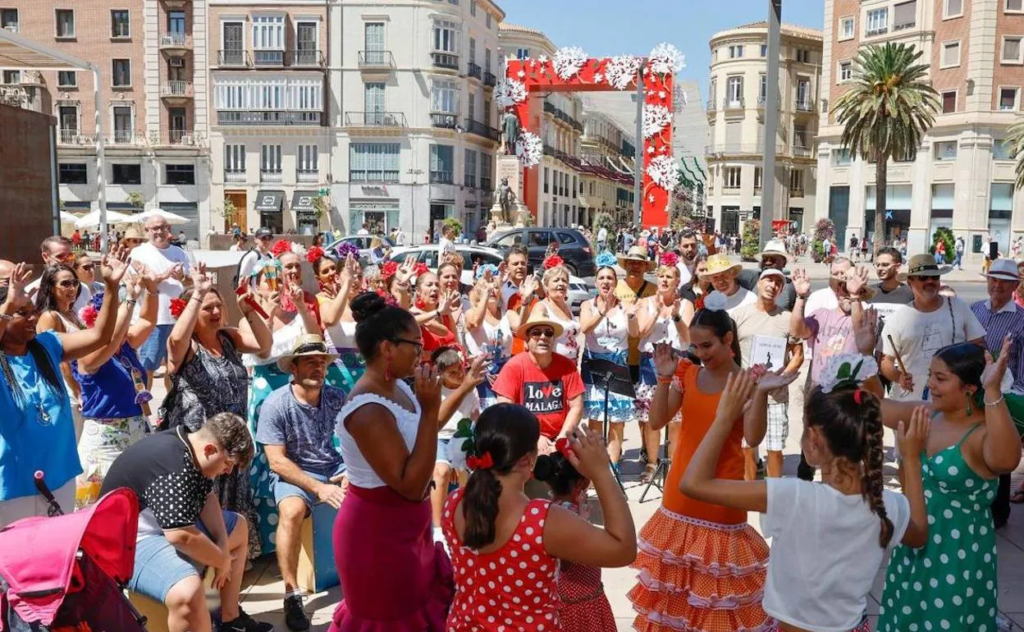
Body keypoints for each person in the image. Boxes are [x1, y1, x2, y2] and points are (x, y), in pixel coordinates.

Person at [682, 356, 928, 632]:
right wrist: (912, 460)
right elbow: (918, 536)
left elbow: (693, 483)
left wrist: (724, 419)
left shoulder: (793, 496)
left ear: (813, 439)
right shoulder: (886, 504)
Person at [629, 301, 783, 631]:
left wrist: (762, 395)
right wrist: (665, 379)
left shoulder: (746, 381)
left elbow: (754, 438)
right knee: (675, 603)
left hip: (722, 501)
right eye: (695, 346)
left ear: (729, 340)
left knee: (717, 609)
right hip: (678, 498)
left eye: (707, 345)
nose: (700, 353)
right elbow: (657, 421)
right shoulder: (688, 372)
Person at [442, 406, 635, 631]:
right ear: (528, 459)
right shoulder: (542, 520)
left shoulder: (454, 502)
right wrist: (601, 473)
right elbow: (624, 549)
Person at [878, 339, 1021, 632]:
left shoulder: (982, 433)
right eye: (931, 375)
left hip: (956, 553)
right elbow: (873, 408)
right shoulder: (929, 414)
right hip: (914, 545)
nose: (931, 384)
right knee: (907, 618)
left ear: (970, 387)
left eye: (941, 378)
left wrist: (992, 389)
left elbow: (1007, 460)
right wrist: (865, 355)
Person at [330, 292, 452, 630]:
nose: (422, 350)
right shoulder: (368, 409)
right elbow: (411, 487)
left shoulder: (398, 387)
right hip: (377, 539)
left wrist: (453, 393)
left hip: (408, 530)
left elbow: (424, 438)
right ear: (387, 348)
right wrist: (428, 410)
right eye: (415, 344)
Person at [100, 412, 272, 632]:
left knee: (238, 527)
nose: (228, 471)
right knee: (188, 594)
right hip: (129, 541)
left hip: (161, 527)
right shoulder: (173, 463)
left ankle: (230, 619)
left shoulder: (190, 445)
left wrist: (222, 544)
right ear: (210, 449)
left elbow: (207, 496)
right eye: (228, 463)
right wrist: (222, 560)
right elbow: (180, 535)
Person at [0, 256, 125, 527]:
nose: (33, 317)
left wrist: (113, 288)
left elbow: (100, 337)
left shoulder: (47, 345)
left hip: (59, 479)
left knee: (51, 561)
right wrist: (9, 303)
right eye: (22, 313)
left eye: (31, 310)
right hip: (10, 487)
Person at [160, 262, 272, 556]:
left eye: (218, 306)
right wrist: (196, 294)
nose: (215, 312)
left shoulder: (229, 337)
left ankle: (233, 568)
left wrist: (248, 309)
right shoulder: (187, 346)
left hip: (232, 440)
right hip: (202, 444)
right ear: (191, 313)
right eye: (206, 307)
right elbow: (174, 341)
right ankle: (207, 566)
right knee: (205, 503)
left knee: (233, 502)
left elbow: (264, 345)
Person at [256, 335, 347, 631]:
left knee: (371, 496)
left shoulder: (336, 396)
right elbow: (276, 461)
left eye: (322, 362)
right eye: (310, 362)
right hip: (293, 472)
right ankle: (292, 593)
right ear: (293, 368)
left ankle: (365, 577)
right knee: (292, 511)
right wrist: (318, 487)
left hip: (334, 467)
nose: (318, 368)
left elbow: (355, 440)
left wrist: (352, 471)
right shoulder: (276, 404)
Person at [245, 245, 324, 554]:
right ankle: (267, 539)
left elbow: (315, 340)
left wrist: (302, 309)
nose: (277, 284)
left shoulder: (296, 314)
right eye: (270, 279)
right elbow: (262, 352)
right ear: (258, 284)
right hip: (267, 392)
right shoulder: (251, 316)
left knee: (296, 453)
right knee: (268, 458)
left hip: (295, 392)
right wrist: (268, 312)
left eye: (280, 278)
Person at [73, 264, 158, 507]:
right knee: (101, 505)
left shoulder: (127, 346)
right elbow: (108, 341)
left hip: (137, 429)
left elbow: (147, 321)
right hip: (105, 439)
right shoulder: (89, 354)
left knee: (135, 504)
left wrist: (151, 291)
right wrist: (129, 298)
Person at [531, 440, 619, 632]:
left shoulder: (550, 510)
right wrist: (583, 523)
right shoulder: (570, 517)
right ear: (582, 482)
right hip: (580, 603)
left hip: (571, 598)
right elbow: (567, 559)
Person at [881, 254, 986, 401]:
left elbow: (979, 345)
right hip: (911, 402)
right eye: (923, 278)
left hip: (953, 401)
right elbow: (886, 361)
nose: (930, 281)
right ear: (910, 282)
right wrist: (899, 377)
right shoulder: (898, 318)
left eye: (935, 277)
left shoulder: (958, 306)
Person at [731, 268, 804, 479]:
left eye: (778, 283)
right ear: (759, 283)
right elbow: (730, 352)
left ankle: (774, 492)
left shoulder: (788, 318)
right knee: (747, 447)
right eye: (768, 281)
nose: (772, 286)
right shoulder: (739, 316)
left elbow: (797, 355)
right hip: (746, 394)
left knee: (775, 448)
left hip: (776, 396)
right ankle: (748, 490)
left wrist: (780, 378)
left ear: (782, 290)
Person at [969, 258, 1024, 526]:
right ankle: (975, 504)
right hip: (971, 393)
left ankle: (998, 510)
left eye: (1004, 280)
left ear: (1015, 285)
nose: (997, 285)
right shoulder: (974, 309)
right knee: (974, 447)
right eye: (993, 279)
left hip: (1003, 396)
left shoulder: (1022, 319)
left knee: (999, 451)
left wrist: (1017, 400)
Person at [493, 311, 585, 453]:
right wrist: (534, 437)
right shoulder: (513, 367)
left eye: (548, 333)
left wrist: (561, 439)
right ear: (527, 339)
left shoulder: (567, 367)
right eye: (536, 333)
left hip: (561, 436)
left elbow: (576, 407)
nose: (543, 337)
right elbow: (505, 411)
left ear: (554, 339)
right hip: (523, 437)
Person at [635, 254, 689, 482]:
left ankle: (674, 465)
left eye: (669, 276)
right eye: (661, 276)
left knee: (676, 421)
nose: (665, 280)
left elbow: (687, 339)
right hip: (650, 363)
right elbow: (640, 332)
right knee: (650, 419)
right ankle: (651, 463)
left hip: (677, 363)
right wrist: (657, 310)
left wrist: (676, 316)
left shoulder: (685, 304)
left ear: (677, 281)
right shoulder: (645, 302)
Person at [580, 258, 638, 472]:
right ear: (596, 283)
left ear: (616, 283)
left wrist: (632, 317)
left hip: (618, 367)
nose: (606, 282)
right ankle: (596, 467)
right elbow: (584, 328)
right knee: (595, 420)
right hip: (595, 367)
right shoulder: (588, 305)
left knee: (617, 422)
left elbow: (634, 334)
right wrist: (601, 311)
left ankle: (612, 468)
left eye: (610, 278)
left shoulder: (625, 306)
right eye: (602, 278)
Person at [128, 215, 191, 386]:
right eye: (154, 228)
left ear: (168, 229)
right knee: (146, 369)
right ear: (146, 231)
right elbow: (135, 283)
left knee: (175, 367)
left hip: (178, 320)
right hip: (152, 320)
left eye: (162, 227)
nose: (159, 232)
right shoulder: (139, 253)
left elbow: (190, 282)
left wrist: (183, 277)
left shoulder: (179, 253)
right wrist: (162, 276)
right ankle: (144, 410)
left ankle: (170, 410)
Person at [428, 346, 484, 533]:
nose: (460, 374)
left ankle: (466, 521)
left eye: (460, 368)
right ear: (441, 374)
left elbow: (475, 419)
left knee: (467, 472)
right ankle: (438, 529)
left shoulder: (470, 388)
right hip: (439, 438)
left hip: (462, 437)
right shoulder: (434, 389)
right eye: (453, 372)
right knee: (442, 471)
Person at [34, 264, 88, 440]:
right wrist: (77, 391)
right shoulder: (50, 316)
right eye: (65, 284)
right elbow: (58, 359)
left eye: (75, 282)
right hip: (66, 387)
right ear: (50, 288)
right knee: (72, 440)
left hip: (80, 383)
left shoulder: (71, 314)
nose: (72, 288)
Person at [312, 251, 365, 393]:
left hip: (364, 377)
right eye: (350, 275)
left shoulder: (366, 307)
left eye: (359, 276)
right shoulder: (326, 302)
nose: (355, 280)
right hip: (337, 377)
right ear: (337, 278)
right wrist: (347, 283)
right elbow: (330, 320)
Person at [532, 260, 582, 362]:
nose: (561, 284)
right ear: (546, 285)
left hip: (572, 366)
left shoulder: (567, 306)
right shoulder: (541, 308)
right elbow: (535, 342)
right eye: (556, 280)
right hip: (552, 366)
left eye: (564, 281)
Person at [736, 240, 797, 310]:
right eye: (764, 259)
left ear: (784, 263)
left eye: (772, 260)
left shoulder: (791, 287)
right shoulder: (752, 279)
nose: (767, 263)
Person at [410, 271, 458, 361]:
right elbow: (409, 322)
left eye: (437, 285)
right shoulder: (413, 314)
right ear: (418, 291)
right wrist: (438, 312)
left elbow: (457, 342)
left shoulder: (444, 314)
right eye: (429, 285)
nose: (434, 288)